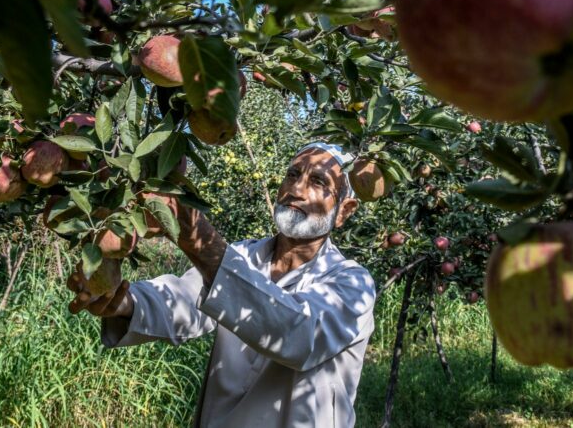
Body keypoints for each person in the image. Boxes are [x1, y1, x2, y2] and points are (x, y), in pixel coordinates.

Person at [67, 142, 376, 427]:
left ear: (343, 212)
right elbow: (183, 298)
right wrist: (122, 302)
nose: (296, 188)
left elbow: (298, 334)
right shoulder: (243, 256)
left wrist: (200, 240)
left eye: (318, 182)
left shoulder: (352, 284)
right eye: (292, 175)